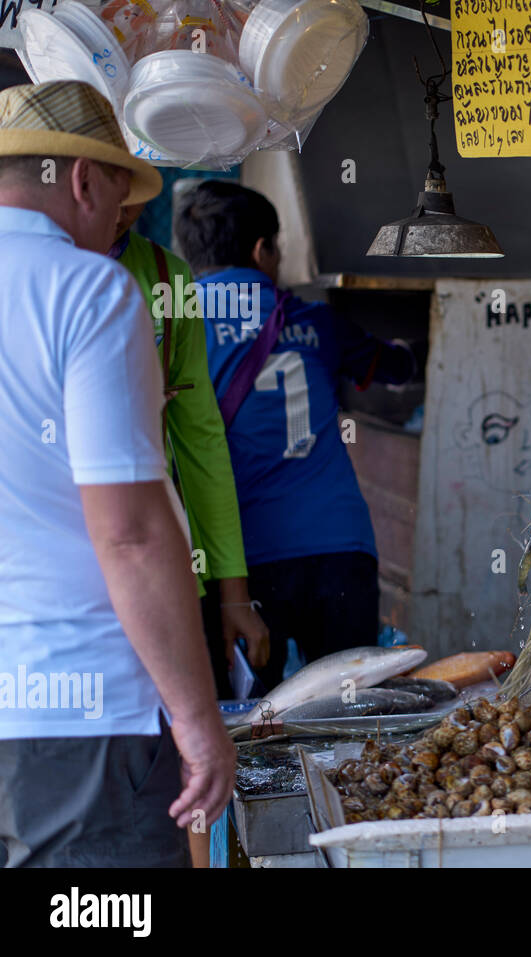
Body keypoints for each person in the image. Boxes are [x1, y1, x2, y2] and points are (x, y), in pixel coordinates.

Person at [0, 81, 233, 866]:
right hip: (79, 720)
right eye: (118, 207)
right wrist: (198, 719)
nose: (116, 230)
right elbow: (129, 533)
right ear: (83, 180)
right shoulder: (89, 290)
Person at [174, 181, 421, 691]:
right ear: (263, 250)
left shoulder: (173, 324)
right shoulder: (317, 321)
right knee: (349, 711)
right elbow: (396, 367)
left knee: (253, 721)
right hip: (338, 548)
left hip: (236, 561)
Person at [109, 203, 271, 692]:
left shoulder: (166, 278)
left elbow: (200, 441)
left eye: (132, 185)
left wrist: (233, 595)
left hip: (158, 567)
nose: (120, 207)